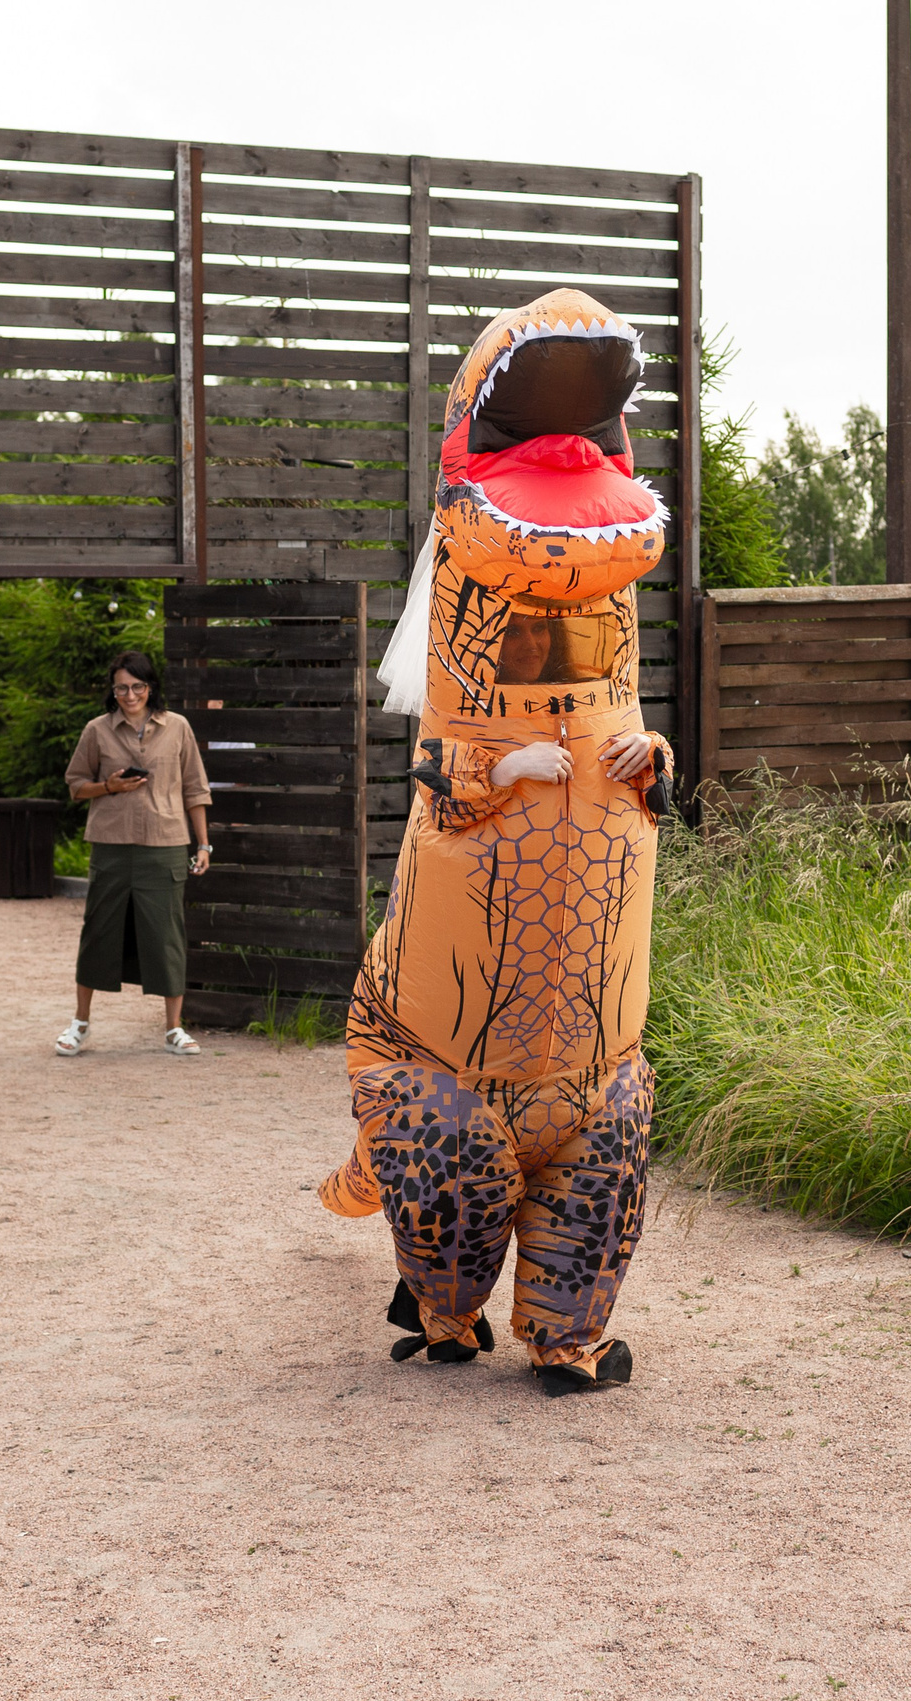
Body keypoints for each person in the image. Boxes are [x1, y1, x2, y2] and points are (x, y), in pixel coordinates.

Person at [317, 288, 672, 1396]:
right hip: (447, 1050)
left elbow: (646, 777)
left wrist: (648, 757)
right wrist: (497, 766)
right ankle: (446, 1310)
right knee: (443, 1151)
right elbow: (437, 781)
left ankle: (567, 1333)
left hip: (591, 1054)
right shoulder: (472, 586)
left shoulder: (606, 591)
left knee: (608, 1138)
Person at [56, 651, 211, 1057]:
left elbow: (195, 789)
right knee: (97, 933)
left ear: (150, 687)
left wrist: (204, 843)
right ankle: (80, 1024)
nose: (130, 694)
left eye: (137, 686)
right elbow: (75, 784)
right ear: (113, 691)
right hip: (110, 846)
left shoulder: (177, 728)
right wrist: (108, 786)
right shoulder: (96, 730)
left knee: (167, 937)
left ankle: (173, 1029)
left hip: (165, 846)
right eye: (122, 687)